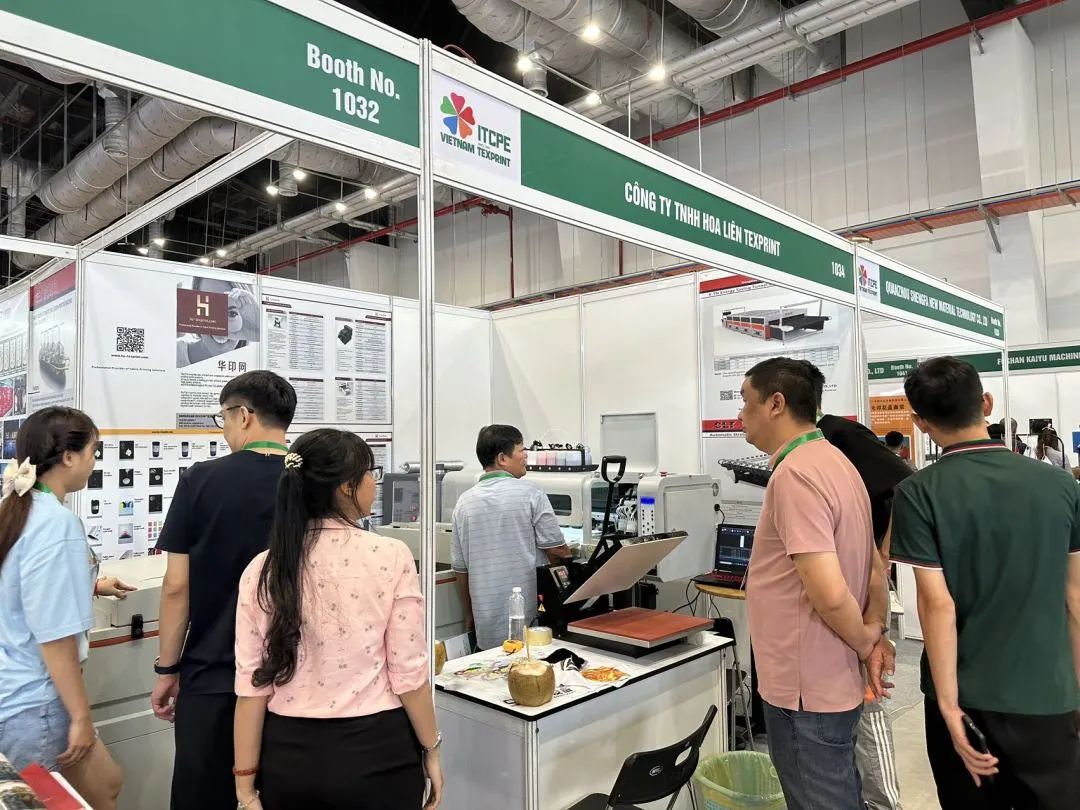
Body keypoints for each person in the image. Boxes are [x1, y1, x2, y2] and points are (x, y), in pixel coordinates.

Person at [891, 357, 1080, 809]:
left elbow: (937, 605)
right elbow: (1075, 598)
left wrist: (949, 708)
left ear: (919, 422)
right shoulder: (1061, 485)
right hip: (1049, 693)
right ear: (987, 403)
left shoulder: (918, 492)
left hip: (967, 697)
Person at [233, 430, 442, 810]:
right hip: (379, 753)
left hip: (289, 759)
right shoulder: (391, 556)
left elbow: (251, 688)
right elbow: (408, 675)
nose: (374, 482)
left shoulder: (262, 569)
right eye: (370, 473)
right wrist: (432, 748)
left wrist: (245, 788)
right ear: (347, 486)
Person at [738, 358, 888, 810]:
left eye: (745, 402)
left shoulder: (795, 475)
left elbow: (827, 591)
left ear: (775, 404)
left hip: (804, 690)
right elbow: (874, 566)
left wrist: (865, 641)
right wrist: (874, 629)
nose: (740, 415)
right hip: (830, 681)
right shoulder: (838, 463)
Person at [151, 371, 296, 810]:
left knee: (204, 796)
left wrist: (167, 669)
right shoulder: (310, 482)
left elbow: (177, 586)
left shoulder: (201, 480)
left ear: (244, 415)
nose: (225, 430)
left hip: (213, 676)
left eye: (224, 419)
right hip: (293, 679)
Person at [0, 407, 133, 809]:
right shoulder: (57, 524)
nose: (95, 461)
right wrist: (80, 716)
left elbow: (20, 587)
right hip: (38, 703)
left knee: (107, 784)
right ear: (70, 457)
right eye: (94, 451)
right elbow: (55, 637)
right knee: (56, 800)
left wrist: (89, 584)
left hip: (16, 693)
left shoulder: (16, 510)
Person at [819, 413, 914, 810]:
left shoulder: (835, 434)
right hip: (845, 595)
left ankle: (883, 802)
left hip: (862, 596)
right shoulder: (808, 452)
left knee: (869, 701)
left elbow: (905, 482)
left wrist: (882, 554)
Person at [451, 425, 572, 651]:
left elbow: (461, 569)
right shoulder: (531, 493)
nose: (526, 456)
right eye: (521, 450)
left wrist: (469, 614)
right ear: (502, 459)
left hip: (486, 626)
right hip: (531, 628)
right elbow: (557, 551)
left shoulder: (464, 503)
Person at [176, 278, 259, 368]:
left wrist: (259, 333)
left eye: (232, 314)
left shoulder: (255, 363)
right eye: (208, 310)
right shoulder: (171, 355)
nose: (219, 329)